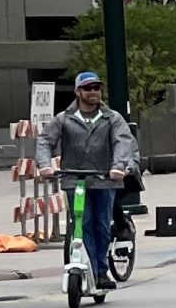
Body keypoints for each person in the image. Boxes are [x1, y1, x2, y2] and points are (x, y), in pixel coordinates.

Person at [36, 71, 138, 292]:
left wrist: (118, 167)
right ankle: (88, 267)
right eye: (88, 88)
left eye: (96, 88)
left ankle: (101, 272)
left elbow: (123, 141)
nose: (93, 92)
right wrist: (45, 165)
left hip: (104, 180)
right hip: (74, 180)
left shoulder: (112, 118)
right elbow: (45, 140)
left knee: (101, 224)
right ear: (78, 92)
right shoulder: (64, 119)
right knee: (82, 223)